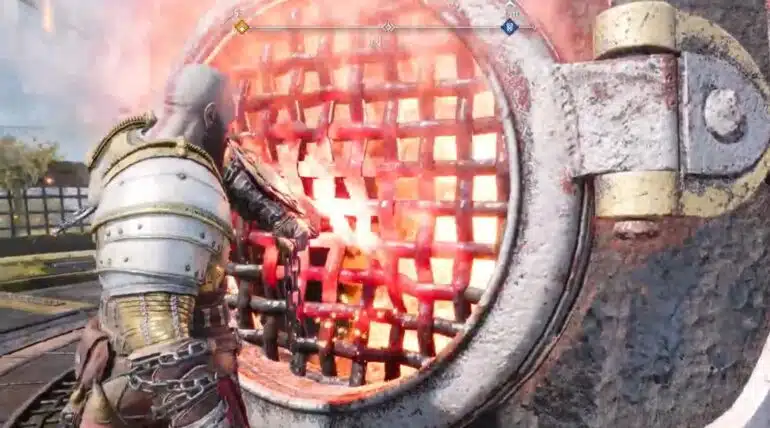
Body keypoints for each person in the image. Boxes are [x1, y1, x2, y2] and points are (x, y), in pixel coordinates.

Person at [59, 64, 317, 427]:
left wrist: (284, 219)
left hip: (132, 374)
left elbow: (219, 163)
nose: (229, 134)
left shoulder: (138, 153)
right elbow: (157, 340)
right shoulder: (169, 189)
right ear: (210, 115)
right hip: (151, 393)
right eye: (226, 123)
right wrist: (208, 420)